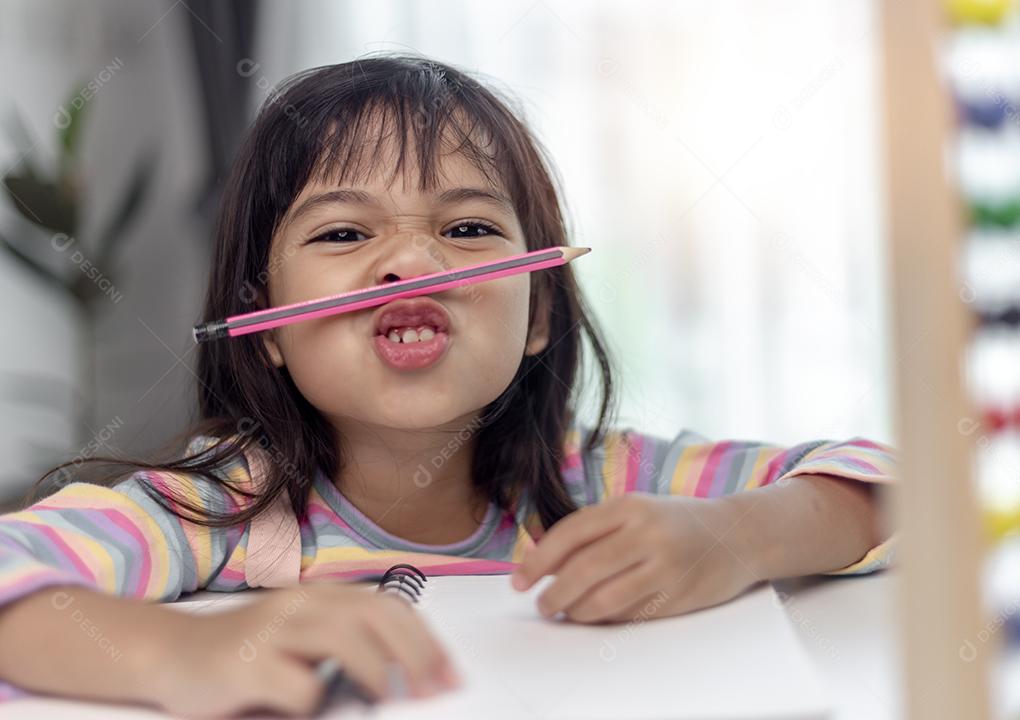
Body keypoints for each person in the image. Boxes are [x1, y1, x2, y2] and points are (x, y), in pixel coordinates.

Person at [0, 54, 896, 718]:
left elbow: (899, 486)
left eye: (466, 227)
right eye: (345, 235)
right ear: (261, 327)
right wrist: (183, 653)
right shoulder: (221, 507)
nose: (413, 263)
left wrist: (736, 536)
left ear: (539, 311)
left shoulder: (597, 481)